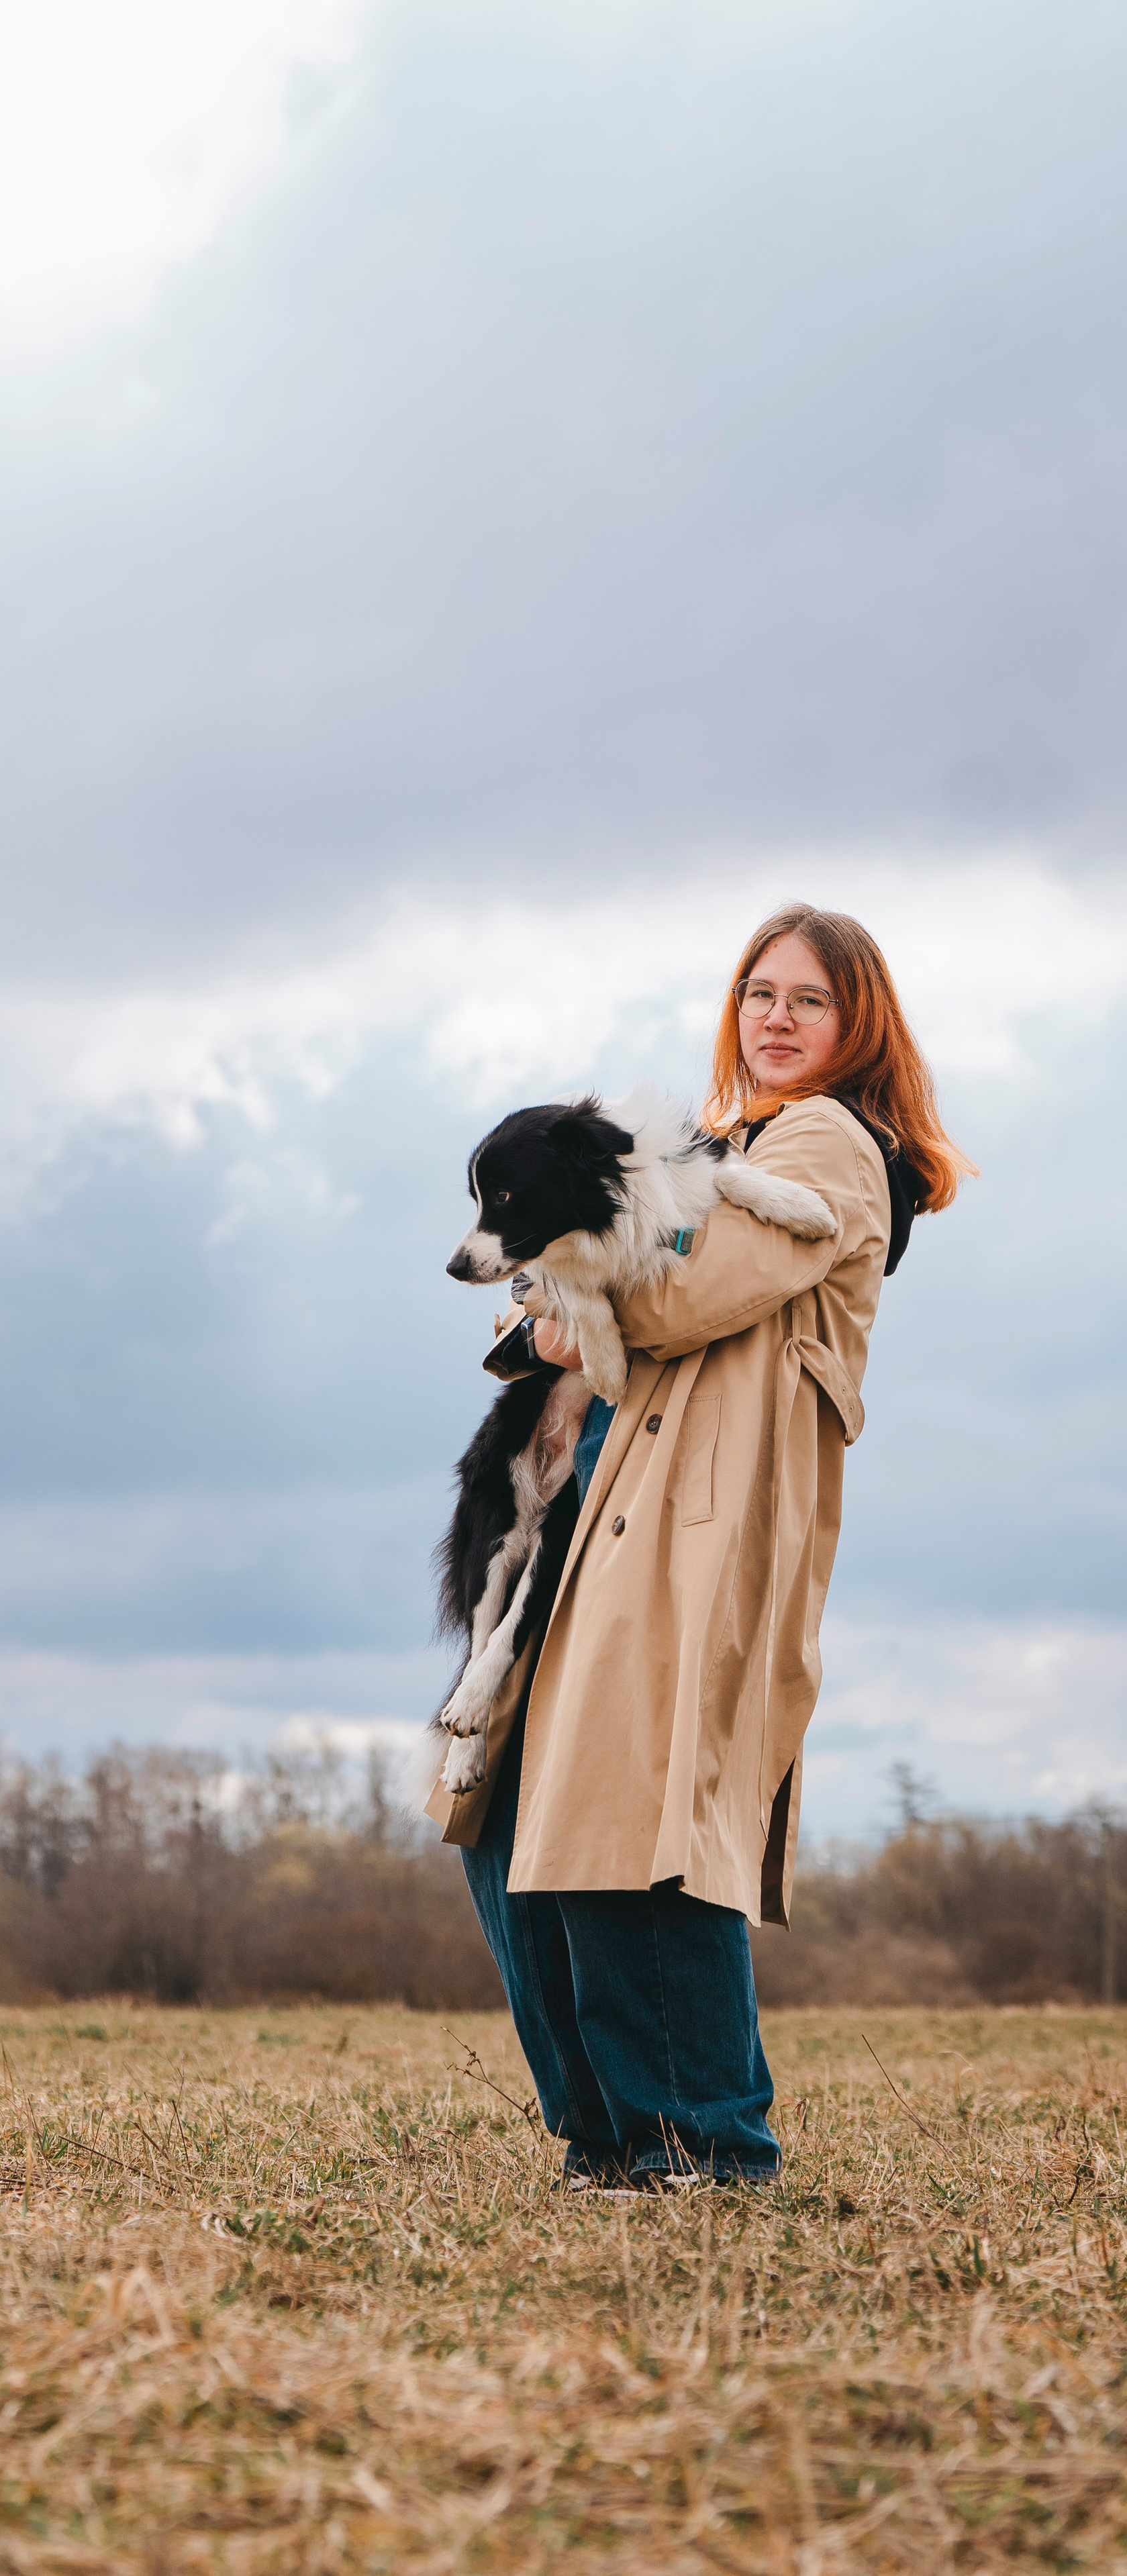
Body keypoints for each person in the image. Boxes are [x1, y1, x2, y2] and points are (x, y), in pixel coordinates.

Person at [426, 905, 973, 2190]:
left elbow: (673, 1293)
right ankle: (607, 2136)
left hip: (693, 1528)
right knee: (510, 1820)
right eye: (759, 994)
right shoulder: (723, 1142)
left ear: (859, 1028)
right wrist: (555, 1294)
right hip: (600, 1509)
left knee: (640, 1835)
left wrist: (562, 1295)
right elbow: (558, 1296)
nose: (776, 1018)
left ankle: (702, 2144)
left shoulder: (834, 1145)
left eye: (810, 1001)